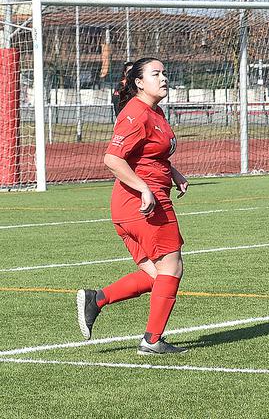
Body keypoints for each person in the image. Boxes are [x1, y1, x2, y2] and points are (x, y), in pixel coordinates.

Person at [76, 57, 190, 354]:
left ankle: (96, 299)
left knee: (156, 275)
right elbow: (112, 159)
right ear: (139, 82)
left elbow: (151, 155)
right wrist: (145, 189)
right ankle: (152, 340)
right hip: (142, 204)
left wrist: (174, 173)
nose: (164, 78)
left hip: (134, 204)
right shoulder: (136, 113)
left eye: (165, 73)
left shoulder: (156, 112)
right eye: (156, 74)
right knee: (172, 268)